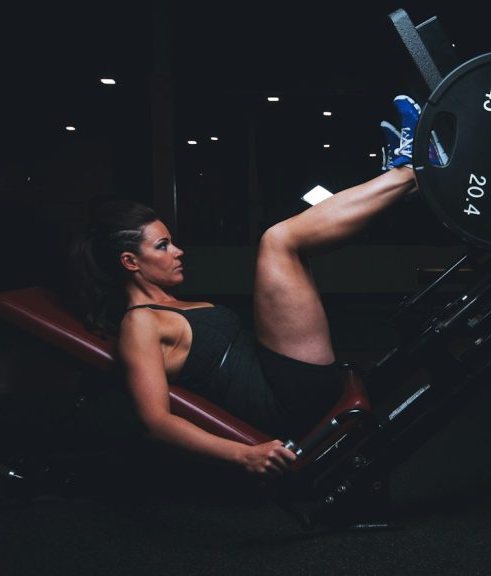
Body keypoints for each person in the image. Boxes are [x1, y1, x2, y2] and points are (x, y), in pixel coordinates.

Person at [71, 95, 442, 478]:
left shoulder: (170, 305)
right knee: (278, 242)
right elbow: (155, 422)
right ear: (130, 263)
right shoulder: (140, 325)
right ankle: (408, 171)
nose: (178, 252)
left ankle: (402, 182)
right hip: (285, 401)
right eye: (163, 246)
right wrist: (243, 455)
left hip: (283, 377)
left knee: (293, 248)